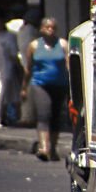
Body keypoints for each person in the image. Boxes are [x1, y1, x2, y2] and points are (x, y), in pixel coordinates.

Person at [23, 17, 70, 161]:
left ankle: (53, 148)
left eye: (53, 28)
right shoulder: (34, 46)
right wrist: (24, 87)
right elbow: (28, 68)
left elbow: (69, 65)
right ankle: (44, 148)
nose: (50, 30)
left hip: (59, 85)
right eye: (47, 27)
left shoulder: (62, 44)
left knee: (56, 116)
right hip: (40, 84)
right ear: (41, 29)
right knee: (44, 113)